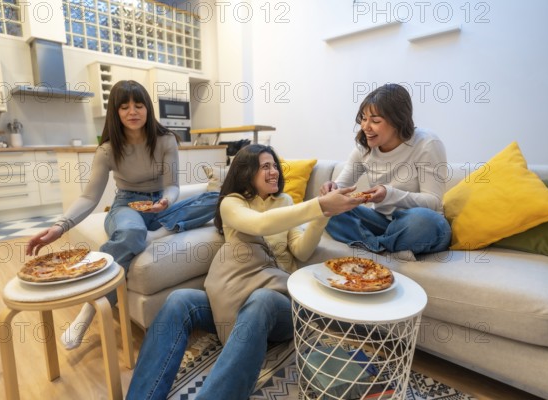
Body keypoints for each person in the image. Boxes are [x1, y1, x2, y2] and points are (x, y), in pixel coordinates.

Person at [126, 144, 364, 400]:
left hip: (276, 303)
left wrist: (322, 214)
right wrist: (318, 204)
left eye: (275, 166)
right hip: (233, 297)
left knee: (262, 299)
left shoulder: (285, 202)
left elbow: (302, 251)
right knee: (179, 300)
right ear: (247, 172)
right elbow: (258, 224)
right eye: (265, 167)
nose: (273, 172)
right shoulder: (232, 203)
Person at [26, 80, 218, 350]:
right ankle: (89, 311)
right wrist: (59, 227)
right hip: (126, 205)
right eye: (124, 106)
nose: (133, 111)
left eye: (139, 105)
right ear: (115, 112)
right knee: (131, 231)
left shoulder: (165, 140)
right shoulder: (107, 150)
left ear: (148, 108)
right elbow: (89, 197)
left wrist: (166, 200)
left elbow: (172, 185)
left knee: (217, 198)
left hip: (160, 206)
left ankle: (154, 234)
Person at [321, 83, 452, 261]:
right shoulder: (364, 148)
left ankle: (371, 245)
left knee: (422, 221)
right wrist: (332, 189)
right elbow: (341, 186)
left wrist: (388, 194)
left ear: (398, 121)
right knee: (328, 209)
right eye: (364, 119)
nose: (366, 126)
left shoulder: (427, 144)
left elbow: (433, 202)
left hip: (417, 224)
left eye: (375, 121)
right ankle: (382, 248)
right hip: (380, 222)